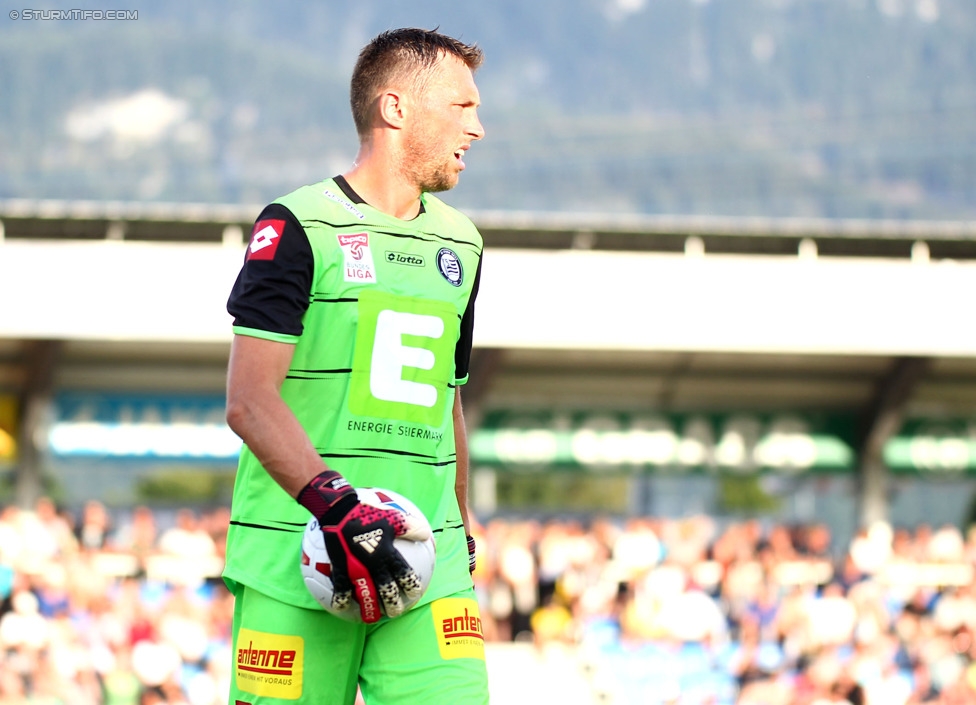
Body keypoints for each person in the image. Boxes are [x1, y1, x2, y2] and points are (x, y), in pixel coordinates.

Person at [222, 27, 489, 705]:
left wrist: (461, 524)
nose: (478, 128)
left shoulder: (463, 242)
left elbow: (447, 399)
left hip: (427, 564)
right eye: (461, 108)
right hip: (298, 554)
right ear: (395, 108)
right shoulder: (295, 226)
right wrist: (337, 508)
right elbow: (250, 400)